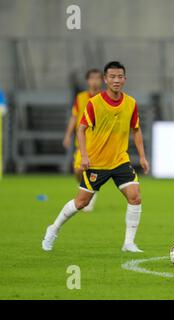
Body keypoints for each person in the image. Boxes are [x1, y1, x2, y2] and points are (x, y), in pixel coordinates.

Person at [42, 61, 150, 253]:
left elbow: (136, 129)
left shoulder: (131, 103)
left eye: (120, 77)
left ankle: (129, 243)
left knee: (135, 197)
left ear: (124, 79)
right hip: (97, 163)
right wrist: (84, 155)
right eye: (112, 77)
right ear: (106, 79)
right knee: (81, 202)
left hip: (120, 161)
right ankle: (53, 229)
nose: (116, 80)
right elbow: (81, 130)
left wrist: (142, 156)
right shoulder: (94, 103)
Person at [63, 69, 103, 212]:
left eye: (97, 78)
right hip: (83, 142)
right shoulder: (80, 98)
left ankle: (89, 194)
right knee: (78, 170)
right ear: (87, 81)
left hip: (99, 143)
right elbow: (74, 117)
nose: (95, 81)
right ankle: (85, 189)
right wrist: (68, 135)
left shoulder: (105, 98)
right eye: (92, 78)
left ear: (102, 80)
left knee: (93, 172)